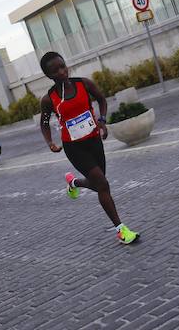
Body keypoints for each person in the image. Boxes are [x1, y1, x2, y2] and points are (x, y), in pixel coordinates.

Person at [38, 52, 139, 245]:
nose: (62, 72)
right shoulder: (48, 99)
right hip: (74, 148)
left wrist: (102, 121)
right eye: (56, 70)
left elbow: (101, 100)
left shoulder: (83, 84)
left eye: (63, 66)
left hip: (94, 141)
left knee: (98, 183)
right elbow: (44, 123)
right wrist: (50, 142)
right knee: (103, 184)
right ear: (49, 76)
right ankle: (121, 230)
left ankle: (74, 183)